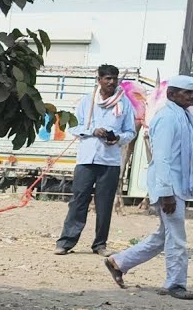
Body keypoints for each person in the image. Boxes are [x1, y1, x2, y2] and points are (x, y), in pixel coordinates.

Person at [104, 75, 193, 301]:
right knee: (177, 237)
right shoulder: (168, 118)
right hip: (169, 187)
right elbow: (161, 159)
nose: (191, 96)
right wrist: (166, 193)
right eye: (186, 93)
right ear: (172, 94)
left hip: (178, 186)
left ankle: (118, 262)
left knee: (164, 236)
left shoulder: (182, 116)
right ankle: (175, 284)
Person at [55, 64, 137, 256]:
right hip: (87, 159)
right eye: (107, 78)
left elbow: (130, 132)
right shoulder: (87, 101)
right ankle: (66, 242)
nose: (111, 82)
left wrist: (117, 138)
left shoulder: (124, 104)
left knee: (105, 204)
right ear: (98, 80)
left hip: (110, 161)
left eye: (114, 79)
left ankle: (100, 244)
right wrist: (93, 131)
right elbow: (73, 128)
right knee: (78, 200)